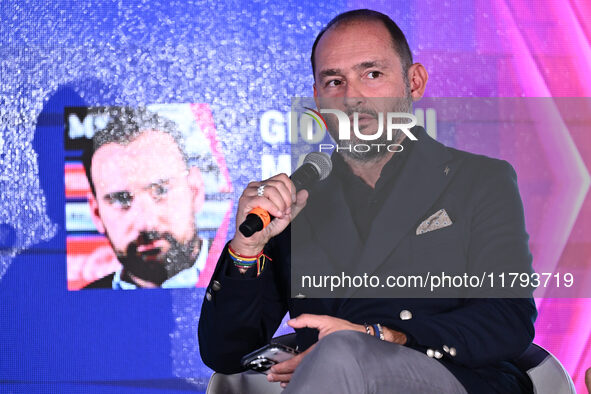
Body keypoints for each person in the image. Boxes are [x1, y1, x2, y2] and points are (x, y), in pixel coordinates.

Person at [198, 9, 536, 393]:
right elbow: (224, 354)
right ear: (318, 99)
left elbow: (508, 318)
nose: (352, 98)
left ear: (414, 82)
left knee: (341, 351)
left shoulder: (478, 180)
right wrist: (246, 249)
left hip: (457, 381)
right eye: (334, 81)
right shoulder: (298, 202)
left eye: (372, 74)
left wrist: (379, 336)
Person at [82, 107, 207, 289]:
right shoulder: (76, 308)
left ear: (195, 191)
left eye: (161, 190)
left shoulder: (253, 278)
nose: (146, 224)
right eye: (121, 199)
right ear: (96, 214)